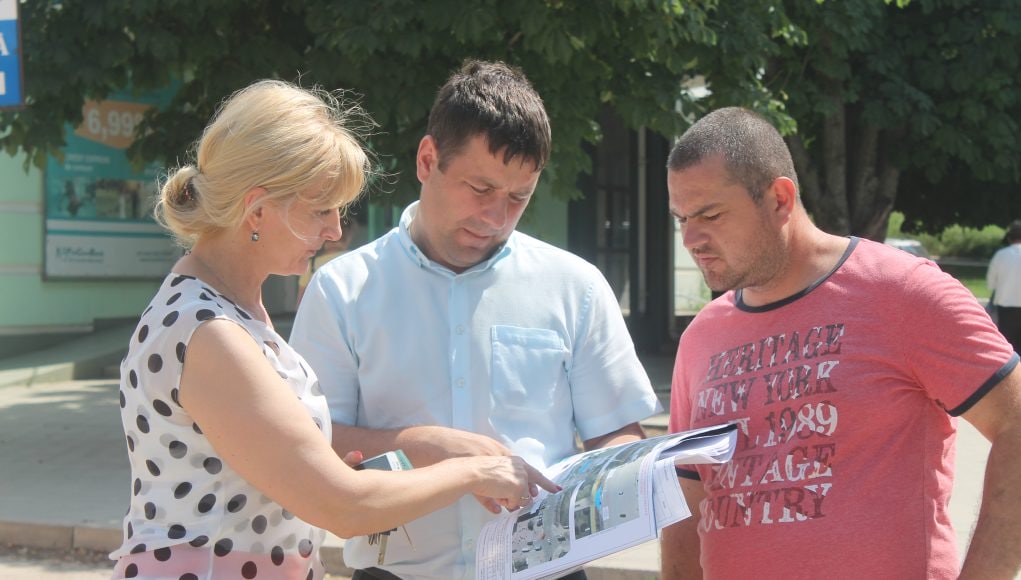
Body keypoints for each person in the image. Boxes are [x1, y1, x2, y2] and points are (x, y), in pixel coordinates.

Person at [110, 79, 557, 580]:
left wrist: (400, 456)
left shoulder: (229, 309)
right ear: (257, 209)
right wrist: (476, 471)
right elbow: (342, 508)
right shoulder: (209, 330)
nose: (335, 229)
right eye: (321, 209)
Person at [290, 60, 661, 580]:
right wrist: (427, 447)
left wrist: (613, 478)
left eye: (518, 197)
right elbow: (308, 446)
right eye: (480, 188)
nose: (495, 217)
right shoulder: (342, 289)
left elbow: (617, 435)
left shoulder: (574, 286)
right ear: (427, 159)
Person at [660, 107, 1021, 579]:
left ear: (779, 199)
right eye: (681, 218)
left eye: (711, 214)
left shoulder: (902, 292)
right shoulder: (701, 337)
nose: (691, 238)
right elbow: (686, 495)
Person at [986, 220, 1021, 351]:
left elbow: (991, 283)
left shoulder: (1000, 255)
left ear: (1009, 238)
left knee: (1008, 346)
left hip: (1006, 307)